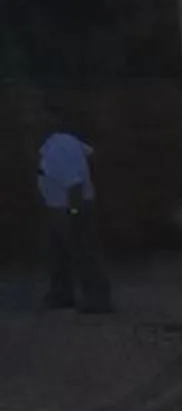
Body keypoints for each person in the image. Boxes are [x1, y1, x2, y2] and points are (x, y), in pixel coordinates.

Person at [37, 123, 111, 315]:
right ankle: (63, 293)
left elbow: (75, 182)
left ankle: (98, 298)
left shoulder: (61, 146)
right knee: (58, 252)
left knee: (84, 251)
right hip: (58, 208)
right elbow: (90, 154)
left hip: (73, 207)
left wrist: (74, 212)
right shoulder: (52, 147)